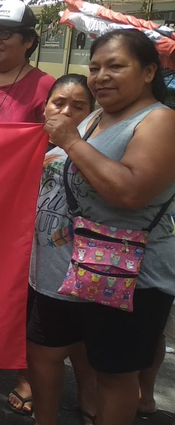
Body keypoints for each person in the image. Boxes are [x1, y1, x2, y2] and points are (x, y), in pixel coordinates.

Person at [30, 29, 175, 425]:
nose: (101, 76)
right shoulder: (96, 117)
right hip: (60, 270)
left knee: (113, 375)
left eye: (116, 66)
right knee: (42, 352)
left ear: (148, 71)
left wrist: (72, 142)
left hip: (123, 279)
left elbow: (130, 192)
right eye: (95, 67)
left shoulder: (160, 121)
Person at [11, 74, 98, 420]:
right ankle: (41, 403)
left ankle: (88, 401)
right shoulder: (33, 147)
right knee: (42, 346)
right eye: (58, 103)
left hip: (84, 269)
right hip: (38, 270)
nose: (66, 111)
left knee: (79, 345)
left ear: (93, 113)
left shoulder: (96, 150)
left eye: (79, 106)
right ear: (45, 106)